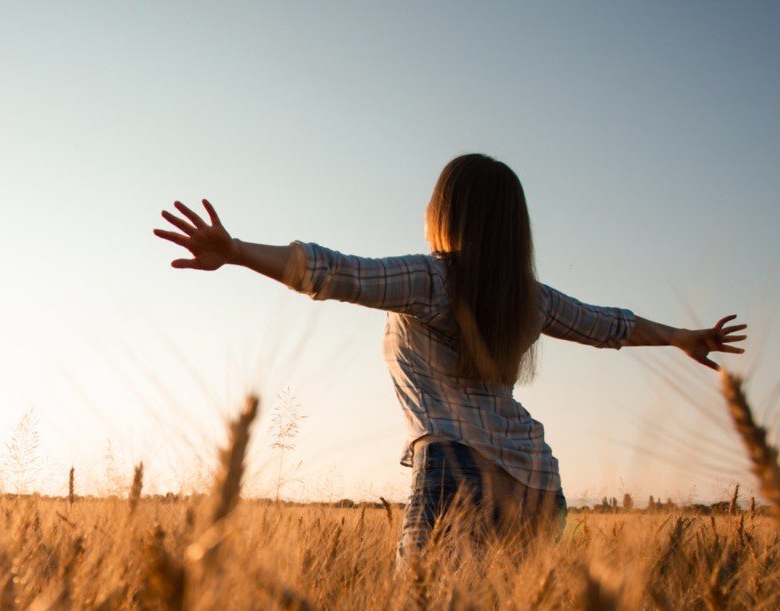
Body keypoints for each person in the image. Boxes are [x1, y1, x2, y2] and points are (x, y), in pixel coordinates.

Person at [154, 153, 747, 560]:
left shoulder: (432, 279)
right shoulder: (529, 299)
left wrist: (237, 251)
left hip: (456, 472)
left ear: (446, 213)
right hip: (539, 484)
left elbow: (336, 273)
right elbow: (607, 326)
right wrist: (680, 337)